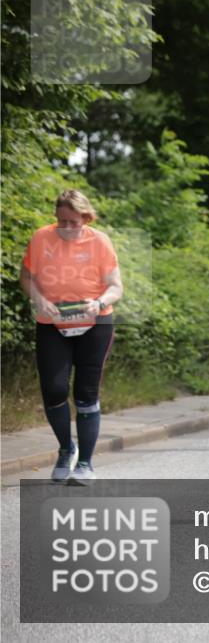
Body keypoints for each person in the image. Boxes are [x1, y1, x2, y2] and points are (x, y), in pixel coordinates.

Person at [20, 190, 123, 485]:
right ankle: (67, 449)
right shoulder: (41, 238)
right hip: (52, 324)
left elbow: (116, 287)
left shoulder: (99, 241)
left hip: (95, 323)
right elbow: (26, 277)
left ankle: (86, 464)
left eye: (73, 223)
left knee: (85, 393)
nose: (66, 228)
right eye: (61, 221)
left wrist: (99, 302)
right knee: (53, 389)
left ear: (86, 218)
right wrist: (39, 299)